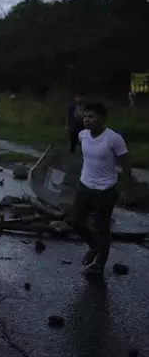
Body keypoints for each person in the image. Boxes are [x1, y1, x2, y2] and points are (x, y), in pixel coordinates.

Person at [69, 102, 131, 275]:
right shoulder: (82, 135)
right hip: (84, 186)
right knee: (74, 221)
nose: (87, 120)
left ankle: (99, 263)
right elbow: (87, 159)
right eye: (85, 116)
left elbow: (126, 165)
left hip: (105, 190)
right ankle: (95, 247)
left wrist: (126, 190)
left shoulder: (114, 139)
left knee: (101, 227)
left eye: (91, 116)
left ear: (102, 119)